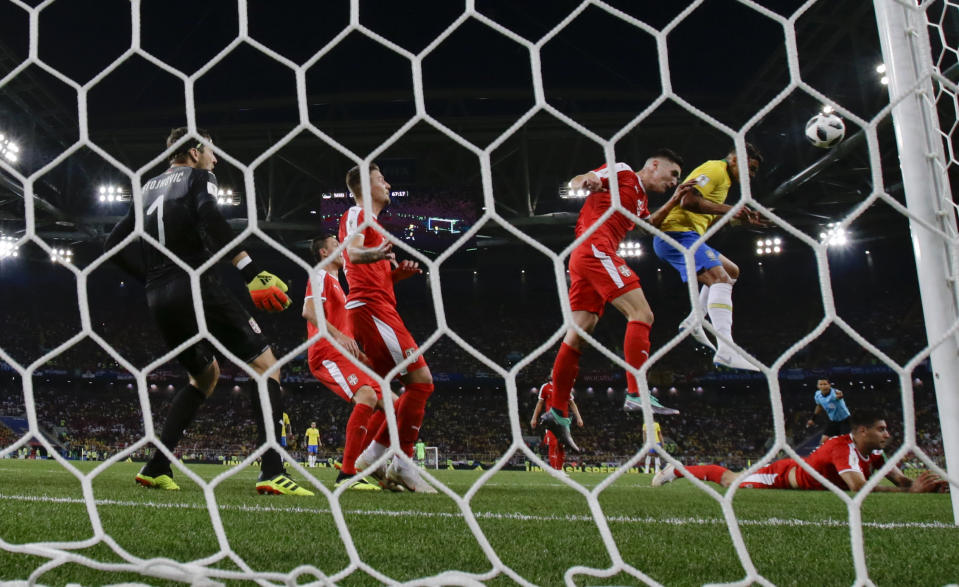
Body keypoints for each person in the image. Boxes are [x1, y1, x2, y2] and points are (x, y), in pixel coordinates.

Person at [105, 127, 312, 496]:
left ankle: (157, 466)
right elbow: (211, 217)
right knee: (268, 368)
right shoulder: (201, 176)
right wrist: (250, 270)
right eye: (212, 152)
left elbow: (112, 244)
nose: (216, 159)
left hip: (159, 297)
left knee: (205, 377)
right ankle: (272, 469)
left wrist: (151, 279)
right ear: (195, 151)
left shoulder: (146, 188)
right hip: (196, 284)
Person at [541, 150, 693, 452]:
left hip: (583, 257)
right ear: (653, 165)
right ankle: (637, 392)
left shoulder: (639, 198)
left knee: (579, 333)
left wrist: (675, 199)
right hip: (596, 249)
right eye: (672, 174)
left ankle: (557, 410)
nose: (673, 180)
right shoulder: (623, 171)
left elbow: (648, 223)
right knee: (642, 313)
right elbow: (589, 177)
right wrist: (586, 181)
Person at [338, 163, 436, 493]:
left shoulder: (377, 227)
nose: (388, 184)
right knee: (421, 383)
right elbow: (351, 253)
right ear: (364, 185)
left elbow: (369, 270)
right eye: (381, 179)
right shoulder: (356, 213)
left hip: (376, 308)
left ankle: (373, 459)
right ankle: (399, 463)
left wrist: (395, 275)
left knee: (392, 399)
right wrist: (373, 254)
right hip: (371, 310)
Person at [652, 143, 766, 371]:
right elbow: (688, 200)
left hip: (688, 236)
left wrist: (741, 218)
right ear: (734, 159)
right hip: (676, 235)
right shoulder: (715, 169)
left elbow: (706, 211)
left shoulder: (724, 182)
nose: (751, 175)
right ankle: (726, 350)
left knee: (731, 271)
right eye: (750, 168)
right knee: (720, 279)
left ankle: (694, 321)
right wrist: (730, 210)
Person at [652, 409, 948, 493]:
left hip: (800, 473)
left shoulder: (874, 454)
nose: (888, 434)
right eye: (881, 429)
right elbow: (858, 488)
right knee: (731, 480)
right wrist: (910, 493)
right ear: (861, 431)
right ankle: (678, 469)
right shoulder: (842, 447)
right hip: (781, 476)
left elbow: (900, 481)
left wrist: (928, 485)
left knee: (733, 478)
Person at [303, 234, 387, 491]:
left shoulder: (341, 285)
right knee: (367, 397)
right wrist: (339, 337)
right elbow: (309, 311)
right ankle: (347, 473)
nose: (342, 249)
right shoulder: (319, 275)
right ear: (322, 252)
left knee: (394, 406)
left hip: (344, 355)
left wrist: (361, 355)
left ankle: (370, 465)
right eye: (335, 245)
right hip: (325, 352)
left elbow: (345, 331)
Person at [530, 381, 583, 470]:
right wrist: (534, 418)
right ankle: (554, 470)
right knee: (552, 444)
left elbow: (572, 403)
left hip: (563, 421)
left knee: (561, 446)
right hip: (551, 420)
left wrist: (579, 417)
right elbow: (540, 403)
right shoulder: (545, 387)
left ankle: (559, 470)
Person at [806, 378, 851, 445]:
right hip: (833, 421)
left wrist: (840, 396)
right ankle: (822, 455)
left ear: (829, 385)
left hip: (845, 420)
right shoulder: (817, 395)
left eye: (825, 384)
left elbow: (840, 395)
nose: (823, 386)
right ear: (818, 386)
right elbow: (819, 406)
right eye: (821, 384)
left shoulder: (835, 392)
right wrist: (813, 419)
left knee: (846, 442)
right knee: (823, 441)